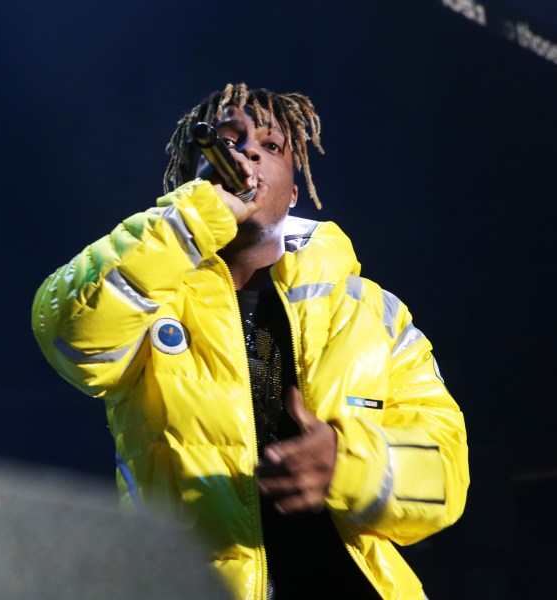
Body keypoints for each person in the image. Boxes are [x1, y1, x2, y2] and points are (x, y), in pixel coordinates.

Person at [30, 82, 469, 599]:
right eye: (228, 141)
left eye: (271, 145)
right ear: (191, 178)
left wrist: (349, 462)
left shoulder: (369, 311)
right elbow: (72, 334)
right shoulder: (151, 298)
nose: (248, 153)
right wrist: (197, 217)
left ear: (293, 191)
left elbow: (445, 474)